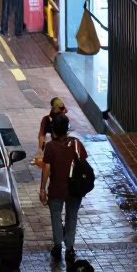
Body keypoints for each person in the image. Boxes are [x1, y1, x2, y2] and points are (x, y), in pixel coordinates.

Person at [40, 112, 87, 263]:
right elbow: (84, 166)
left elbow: (46, 169)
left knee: (55, 216)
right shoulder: (77, 144)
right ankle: (70, 248)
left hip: (56, 189)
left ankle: (57, 246)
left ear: (53, 130)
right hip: (75, 190)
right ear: (67, 129)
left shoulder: (50, 147)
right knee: (71, 217)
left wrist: (42, 189)